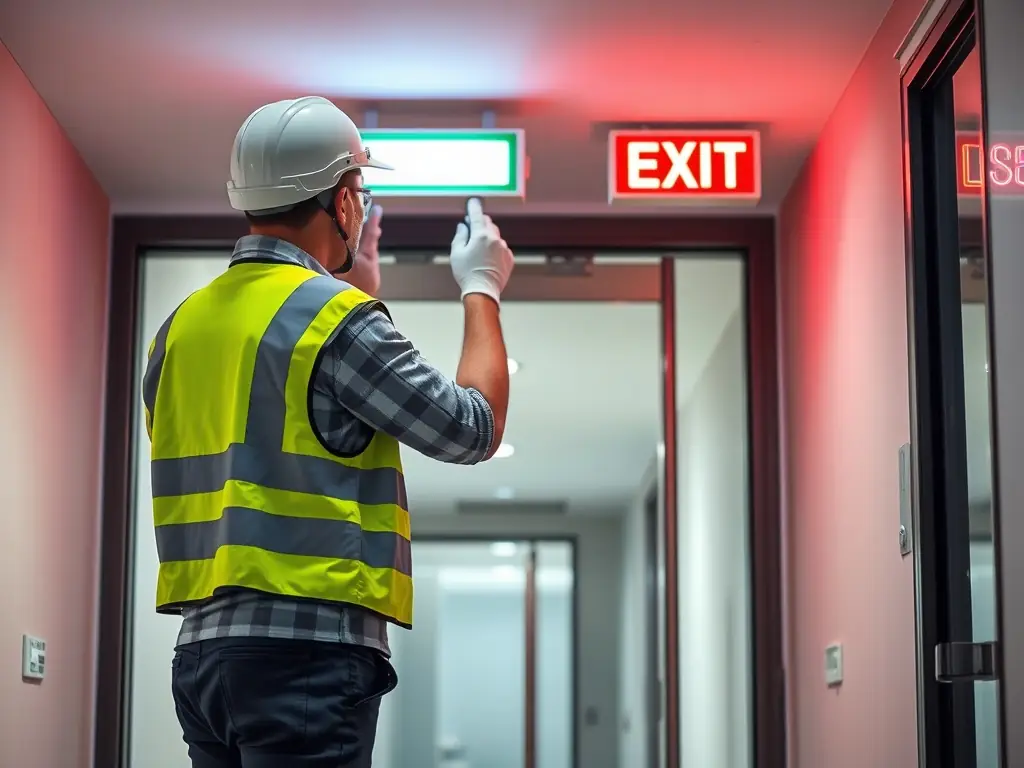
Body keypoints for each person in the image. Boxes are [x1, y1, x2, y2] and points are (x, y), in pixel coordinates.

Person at [141, 95, 515, 767]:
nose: (362, 207)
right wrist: (480, 286)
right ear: (344, 204)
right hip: (305, 654)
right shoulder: (337, 320)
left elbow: (273, 425)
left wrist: (350, 292)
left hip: (202, 660)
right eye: (361, 192)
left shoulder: (179, 330)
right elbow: (471, 428)